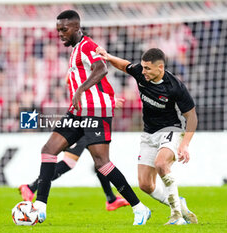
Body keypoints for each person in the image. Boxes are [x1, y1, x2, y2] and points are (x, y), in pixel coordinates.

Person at [32, 10, 151, 226]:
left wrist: (81, 91)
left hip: (95, 111)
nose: (60, 34)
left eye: (64, 29)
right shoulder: (76, 49)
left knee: (101, 163)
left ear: (77, 28)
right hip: (78, 111)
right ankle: (40, 207)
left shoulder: (87, 45)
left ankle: (140, 208)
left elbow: (101, 69)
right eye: (58, 29)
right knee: (48, 150)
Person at [96, 47, 198, 225]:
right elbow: (125, 66)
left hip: (171, 129)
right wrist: (108, 56)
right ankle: (178, 204)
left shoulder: (175, 87)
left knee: (161, 164)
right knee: (145, 184)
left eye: (147, 69)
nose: (143, 72)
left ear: (160, 68)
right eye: (142, 67)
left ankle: (176, 216)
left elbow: (192, 116)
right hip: (149, 132)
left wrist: (185, 144)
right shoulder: (141, 73)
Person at [19, 100, 130, 212]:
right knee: (79, 162)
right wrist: (107, 101)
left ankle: (111, 199)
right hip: (84, 121)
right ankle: (31, 187)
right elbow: (80, 86)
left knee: (99, 161)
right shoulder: (87, 84)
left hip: (88, 119)